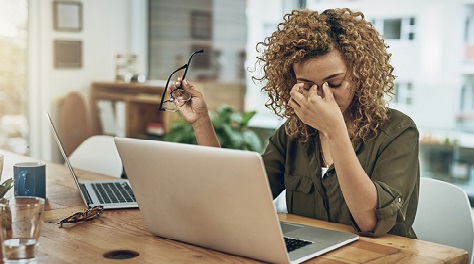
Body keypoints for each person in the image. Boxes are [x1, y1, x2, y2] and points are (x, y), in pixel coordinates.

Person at [170, 8, 419, 238]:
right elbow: (233, 198)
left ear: (359, 74)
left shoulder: (398, 131)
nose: (321, 96)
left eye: (334, 83)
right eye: (306, 85)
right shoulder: (294, 133)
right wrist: (201, 121)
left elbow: (370, 222)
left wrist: (334, 131)